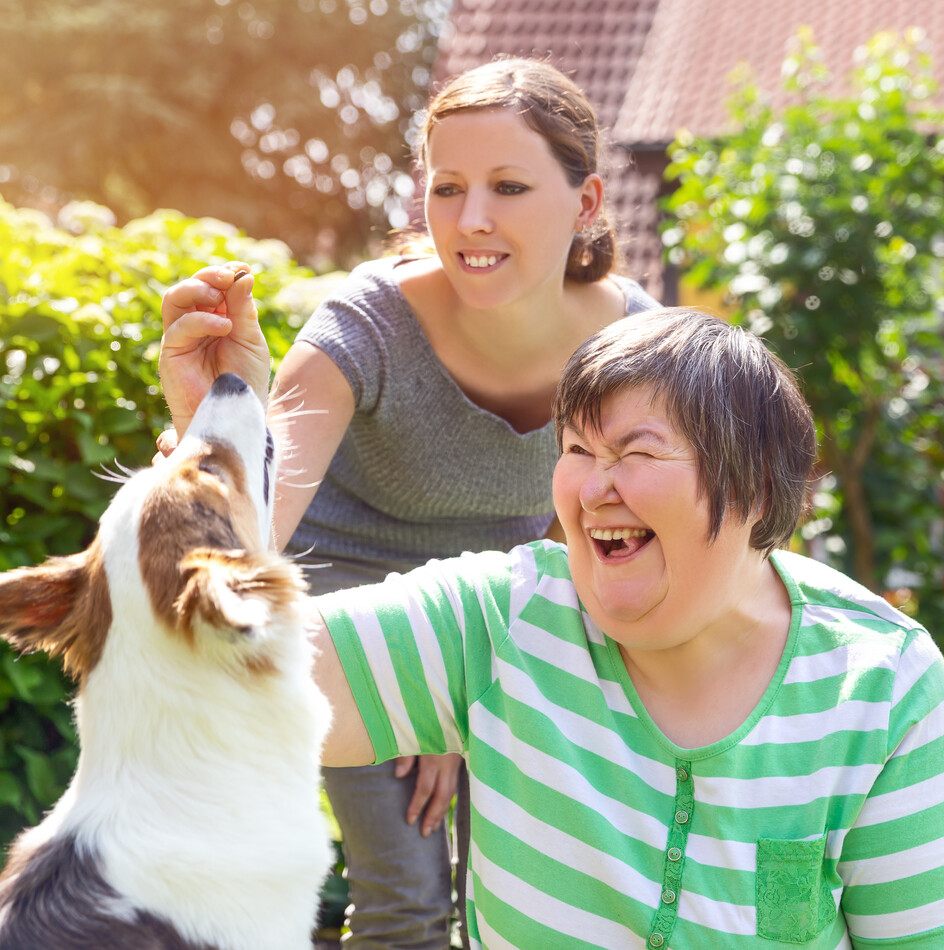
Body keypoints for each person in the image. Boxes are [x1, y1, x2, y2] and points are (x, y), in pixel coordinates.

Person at [157, 57, 660, 949]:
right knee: (411, 898)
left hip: (511, 602)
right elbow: (259, 520)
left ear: (584, 203)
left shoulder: (629, 342)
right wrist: (208, 426)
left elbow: (592, 526)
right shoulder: (365, 324)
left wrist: (477, 679)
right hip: (341, 596)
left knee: (537, 900)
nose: (471, 221)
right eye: (447, 187)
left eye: (508, 187)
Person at [310, 307, 944, 950]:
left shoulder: (882, 689)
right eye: (577, 449)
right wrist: (215, 436)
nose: (593, 487)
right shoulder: (503, 618)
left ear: (756, 492)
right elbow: (245, 677)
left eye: (637, 452)